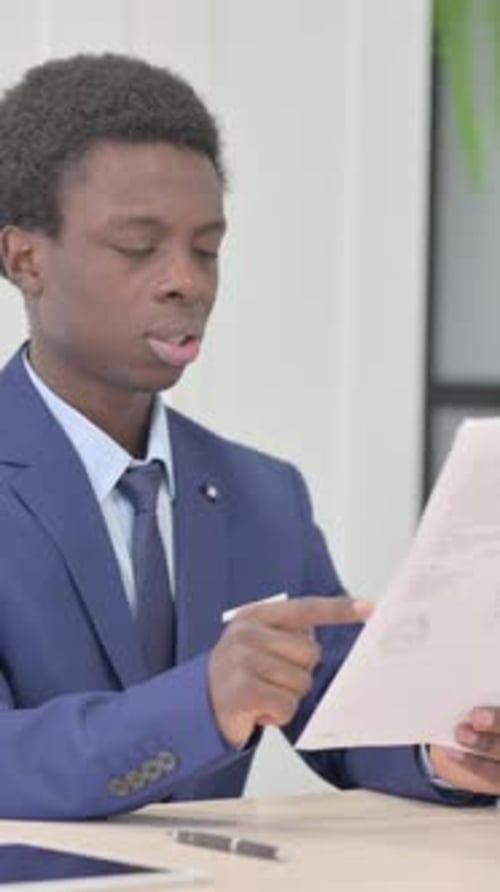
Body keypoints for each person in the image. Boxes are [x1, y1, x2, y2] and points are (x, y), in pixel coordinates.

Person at [0, 53, 496, 820]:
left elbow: (337, 711)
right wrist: (203, 703)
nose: (186, 281)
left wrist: (446, 751)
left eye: (206, 248)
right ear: (25, 257)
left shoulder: (262, 495)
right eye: (139, 246)